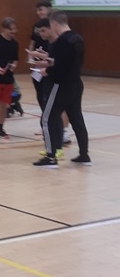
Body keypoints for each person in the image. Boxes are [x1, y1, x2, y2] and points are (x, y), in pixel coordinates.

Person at [31, 10, 90, 168]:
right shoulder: (77, 38)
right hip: (75, 83)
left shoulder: (61, 41)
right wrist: (49, 61)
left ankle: (51, 157)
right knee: (77, 119)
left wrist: (46, 71)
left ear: (54, 23)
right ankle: (84, 155)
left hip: (60, 86)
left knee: (47, 118)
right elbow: (68, 61)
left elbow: (59, 67)